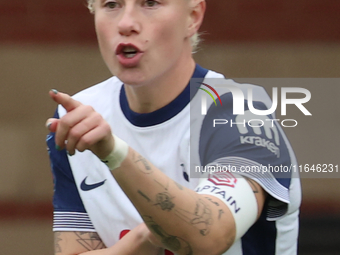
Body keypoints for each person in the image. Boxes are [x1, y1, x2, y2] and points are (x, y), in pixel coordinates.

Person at [46, 0, 301, 254]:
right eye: (111, 4)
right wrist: (145, 238)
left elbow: (209, 237)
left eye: (150, 3)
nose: (126, 23)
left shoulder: (240, 114)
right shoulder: (79, 113)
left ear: (193, 16)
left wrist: (114, 153)